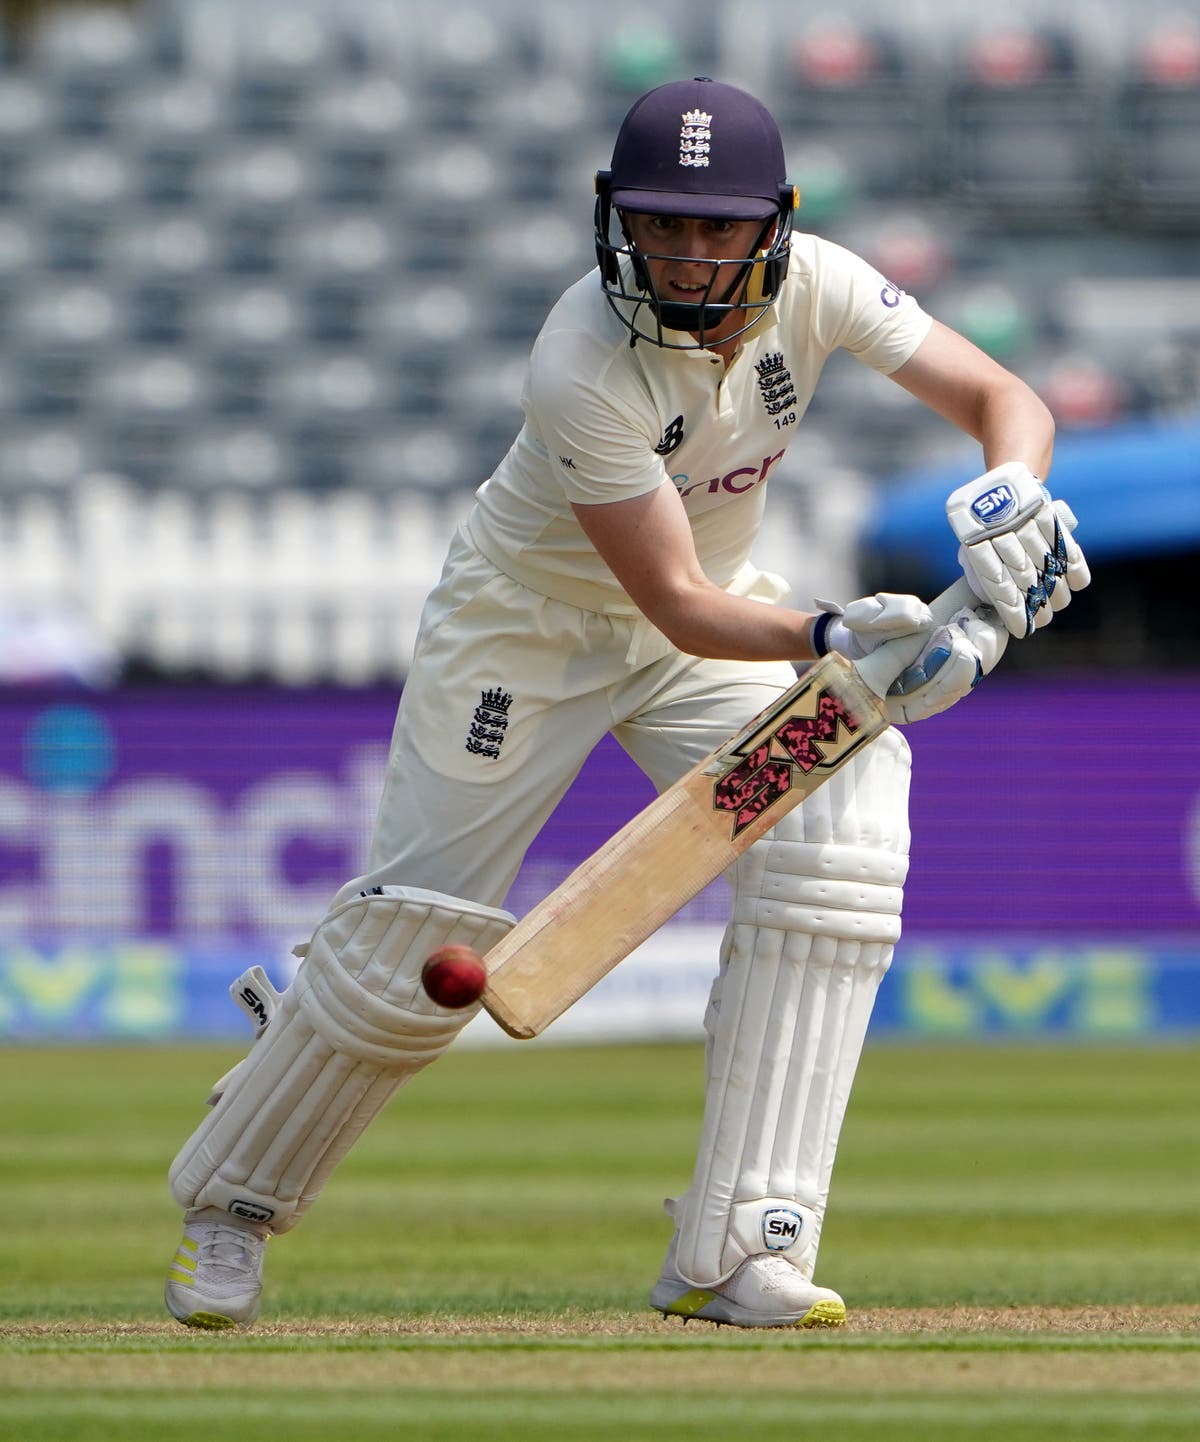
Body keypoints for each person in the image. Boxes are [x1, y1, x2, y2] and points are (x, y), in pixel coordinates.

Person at [163, 77, 1088, 1330]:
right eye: (662, 224)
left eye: (717, 229)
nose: (690, 254)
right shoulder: (579, 358)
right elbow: (674, 602)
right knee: (403, 963)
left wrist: (1013, 494)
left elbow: (1004, 401)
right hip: (529, 632)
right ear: (617, 221)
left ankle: (739, 1244)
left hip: (707, 613)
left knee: (847, 800)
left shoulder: (819, 278)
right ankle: (232, 1202)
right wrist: (831, 631)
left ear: (774, 223)